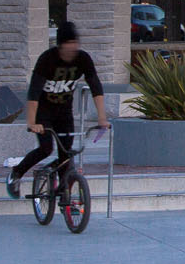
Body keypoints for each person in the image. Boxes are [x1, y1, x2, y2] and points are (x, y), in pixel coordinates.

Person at [8, 22, 109, 199]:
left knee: (66, 153)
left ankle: (65, 194)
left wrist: (102, 118)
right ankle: (16, 173)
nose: (72, 50)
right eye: (67, 45)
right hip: (43, 112)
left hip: (64, 112)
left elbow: (96, 87)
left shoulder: (82, 59)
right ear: (60, 45)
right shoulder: (47, 59)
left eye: (74, 44)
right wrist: (32, 122)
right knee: (46, 148)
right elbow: (33, 93)